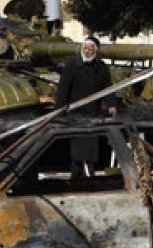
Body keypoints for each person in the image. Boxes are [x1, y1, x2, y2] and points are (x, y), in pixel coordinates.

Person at [55, 36, 116, 178]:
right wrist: (59, 109)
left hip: (93, 114)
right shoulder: (72, 66)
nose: (87, 51)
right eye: (86, 48)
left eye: (91, 49)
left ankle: (90, 173)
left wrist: (111, 104)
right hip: (75, 114)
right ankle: (76, 175)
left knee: (91, 147)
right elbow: (63, 89)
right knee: (77, 148)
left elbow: (108, 87)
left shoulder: (101, 68)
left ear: (96, 50)